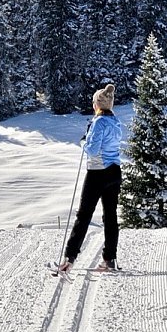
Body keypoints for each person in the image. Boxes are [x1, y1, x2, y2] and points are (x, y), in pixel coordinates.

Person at [54, 82, 123, 275]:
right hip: (115, 171)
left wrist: (84, 141)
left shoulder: (98, 122)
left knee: (84, 215)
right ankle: (110, 259)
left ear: (97, 104)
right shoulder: (116, 122)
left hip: (97, 172)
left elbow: (92, 150)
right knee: (110, 216)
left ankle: (69, 259)